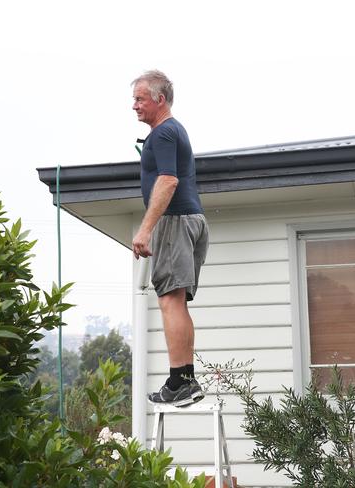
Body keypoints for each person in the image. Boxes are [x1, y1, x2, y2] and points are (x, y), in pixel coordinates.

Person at [131, 70, 209, 407]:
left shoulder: (164, 133)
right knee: (175, 299)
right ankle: (183, 379)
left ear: (159, 99)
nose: (134, 106)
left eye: (140, 99)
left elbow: (167, 181)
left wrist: (146, 229)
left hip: (175, 222)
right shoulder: (172, 132)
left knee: (170, 300)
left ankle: (182, 381)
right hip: (191, 220)